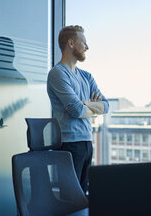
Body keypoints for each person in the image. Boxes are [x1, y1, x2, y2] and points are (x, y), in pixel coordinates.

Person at [47, 25, 109, 193]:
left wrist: (85, 103)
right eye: (84, 42)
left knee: (82, 197)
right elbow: (76, 110)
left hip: (87, 143)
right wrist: (90, 107)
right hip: (69, 146)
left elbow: (106, 106)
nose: (87, 47)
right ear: (71, 43)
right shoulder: (57, 73)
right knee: (71, 198)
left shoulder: (86, 76)